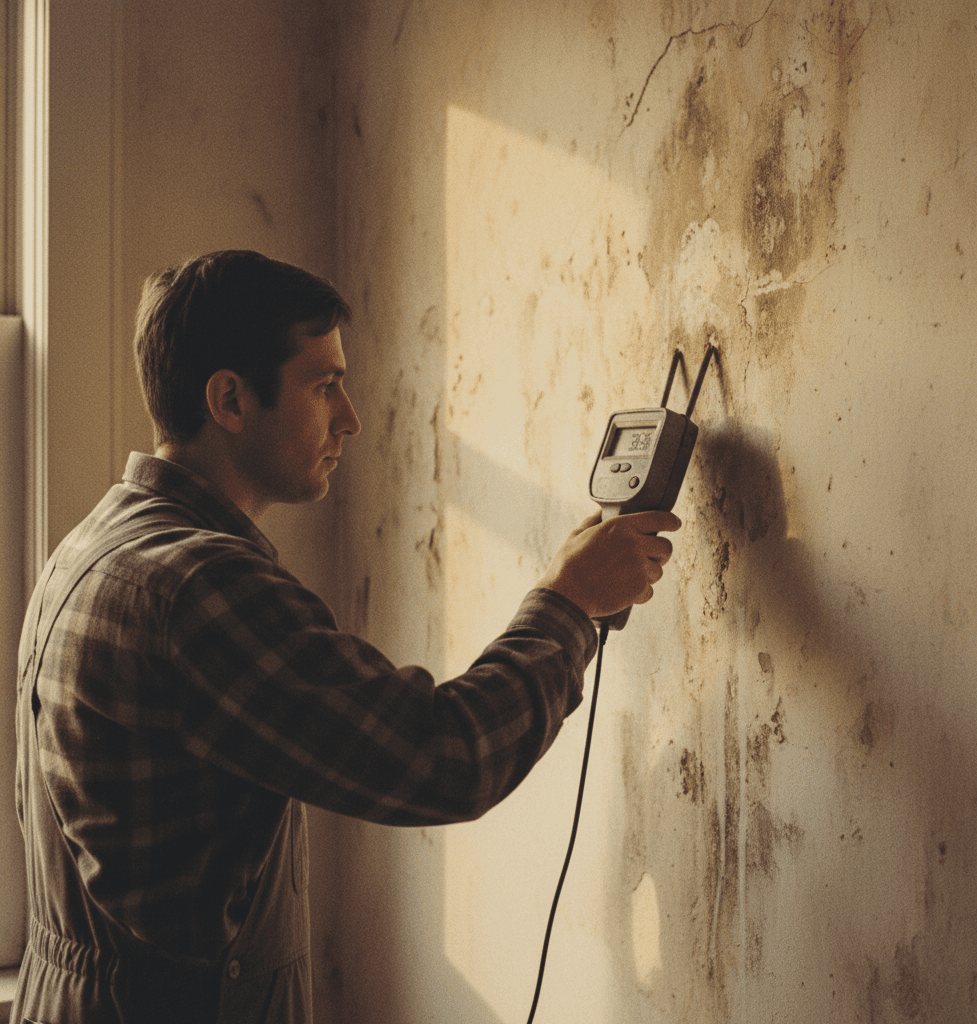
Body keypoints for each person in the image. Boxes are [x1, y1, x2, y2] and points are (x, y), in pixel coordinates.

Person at [12, 250, 679, 1024]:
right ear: (230, 399)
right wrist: (567, 604)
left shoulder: (93, 545)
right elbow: (444, 758)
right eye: (324, 385)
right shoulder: (201, 588)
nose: (351, 417)